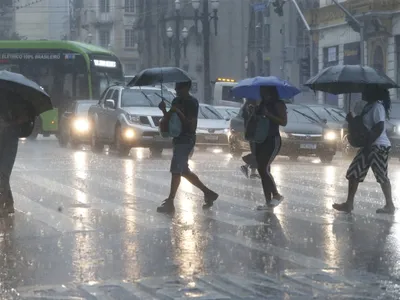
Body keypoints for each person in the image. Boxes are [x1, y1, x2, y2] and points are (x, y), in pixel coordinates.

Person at [157, 81, 218, 213]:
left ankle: (170, 201)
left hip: (187, 139)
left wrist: (178, 111)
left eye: (179, 87)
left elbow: (191, 125)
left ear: (187, 88)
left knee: (176, 170)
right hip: (177, 139)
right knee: (183, 170)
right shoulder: (176, 100)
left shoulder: (192, 102)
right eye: (176, 87)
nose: (177, 90)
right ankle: (208, 193)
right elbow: (170, 120)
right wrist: (164, 110)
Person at [333, 87, 395, 214]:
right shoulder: (368, 107)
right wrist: (351, 120)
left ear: (372, 93)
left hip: (378, 146)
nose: (362, 93)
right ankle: (349, 204)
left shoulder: (377, 107)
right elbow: (362, 127)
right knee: (354, 173)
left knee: (381, 175)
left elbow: (379, 127)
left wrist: (368, 144)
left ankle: (390, 205)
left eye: (366, 91)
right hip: (367, 146)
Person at [255, 86, 287, 210]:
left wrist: (268, 114)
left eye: (264, 90)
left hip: (272, 139)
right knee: (262, 170)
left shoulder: (278, 104)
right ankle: (268, 201)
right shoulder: (262, 103)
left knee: (263, 168)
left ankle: (276, 195)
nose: (261, 92)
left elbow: (283, 121)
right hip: (260, 139)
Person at [0, 94, 32, 216]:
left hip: (9, 140)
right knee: (2, 175)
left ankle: (2, 205)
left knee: (3, 173)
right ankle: (8, 203)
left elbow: (24, 118)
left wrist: (8, 123)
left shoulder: (14, 100)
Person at [240, 99, 259, 179]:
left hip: (252, 134)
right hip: (254, 134)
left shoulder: (247, 107)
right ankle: (246, 166)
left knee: (256, 153)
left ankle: (253, 172)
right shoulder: (251, 108)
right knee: (257, 153)